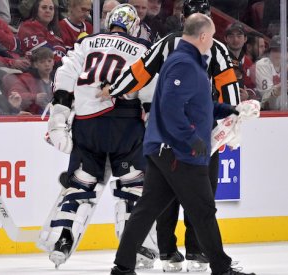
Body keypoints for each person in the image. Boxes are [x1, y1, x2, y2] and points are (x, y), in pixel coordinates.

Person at [100, 0, 241, 272]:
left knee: (149, 208)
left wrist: (232, 110)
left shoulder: (187, 57)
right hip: (178, 149)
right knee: (202, 207)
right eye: (211, 36)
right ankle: (216, 264)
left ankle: (123, 266)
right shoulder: (184, 62)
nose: (214, 41)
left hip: (168, 145)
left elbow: (199, 102)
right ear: (201, 34)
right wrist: (194, 140)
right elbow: (171, 108)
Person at [38, 4, 159, 270]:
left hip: (86, 124)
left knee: (81, 183)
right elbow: (150, 89)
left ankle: (62, 238)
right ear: (134, 25)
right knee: (132, 185)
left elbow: (65, 73)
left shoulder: (88, 41)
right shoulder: (142, 48)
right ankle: (135, 245)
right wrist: (153, 126)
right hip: (125, 124)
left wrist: (59, 115)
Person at [3, 47, 54, 114]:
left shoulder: (57, 78)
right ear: (35, 64)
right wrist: (34, 97)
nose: (47, 64)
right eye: (42, 62)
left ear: (53, 62)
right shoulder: (25, 78)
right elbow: (14, 94)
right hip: (33, 118)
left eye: (49, 61)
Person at [255, 35, 287, 110]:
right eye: (275, 50)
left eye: (282, 50)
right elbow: (266, 98)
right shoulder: (263, 64)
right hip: (264, 112)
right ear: (270, 51)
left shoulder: (285, 65)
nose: (278, 54)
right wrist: (277, 90)